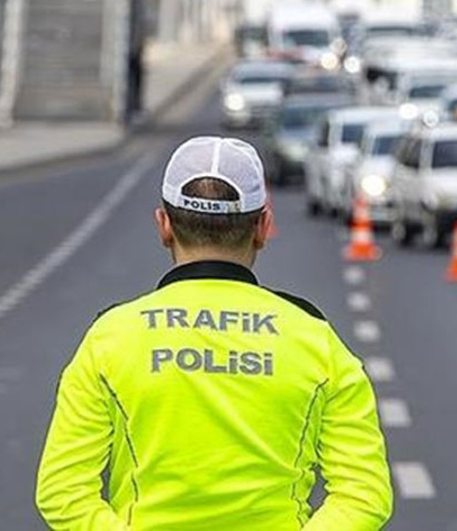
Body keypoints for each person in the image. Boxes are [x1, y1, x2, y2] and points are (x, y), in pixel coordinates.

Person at [36, 136, 393, 530]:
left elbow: (61, 491)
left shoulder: (111, 338)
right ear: (263, 227)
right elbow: (365, 493)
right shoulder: (316, 339)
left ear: (164, 225)